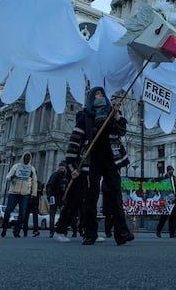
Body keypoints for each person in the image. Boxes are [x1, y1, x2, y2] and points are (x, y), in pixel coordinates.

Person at [57, 87, 134, 246]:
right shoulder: (85, 117)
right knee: (91, 197)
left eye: (102, 94)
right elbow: (74, 143)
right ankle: (89, 233)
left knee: (115, 195)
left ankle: (122, 232)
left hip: (111, 160)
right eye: (97, 94)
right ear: (91, 98)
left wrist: (117, 115)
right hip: (91, 161)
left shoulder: (111, 113)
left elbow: (122, 131)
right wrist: (72, 167)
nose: (100, 96)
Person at [1, 152, 37, 238]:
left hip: (25, 194)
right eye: (25, 157)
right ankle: (4, 229)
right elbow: (7, 177)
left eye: (28, 157)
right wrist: (12, 177)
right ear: (23, 157)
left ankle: (16, 231)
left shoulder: (32, 169)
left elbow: (34, 182)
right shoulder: (16, 166)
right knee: (8, 211)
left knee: (22, 214)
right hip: (14, 192)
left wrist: (34, 193)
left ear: (30, 159)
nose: (27, 159)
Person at [47, 161, 79, 239]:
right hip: (54, 197)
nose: (62, 167)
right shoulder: (54, 175)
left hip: (63, 197)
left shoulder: (67, 176)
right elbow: (49, 185)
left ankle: (64, 230)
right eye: (61, 166)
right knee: (52, 215)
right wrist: (49, 195)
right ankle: (52, 231)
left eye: (63, 166)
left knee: (64, 213)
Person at [155, 165, 176, 238]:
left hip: (173, 199)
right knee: (164, 216)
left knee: (173, 216)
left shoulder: (175, 179)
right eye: (170, 170)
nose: (171, 171)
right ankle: (158, 230)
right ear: (167, 171)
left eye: (172, 170)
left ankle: (172, 233)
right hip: (166, 200)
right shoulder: (164, 179)